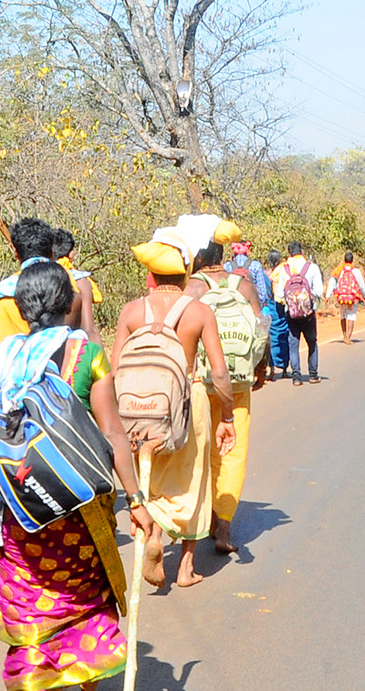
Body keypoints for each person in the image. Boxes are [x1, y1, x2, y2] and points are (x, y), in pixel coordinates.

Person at [0, 261, 154, 691]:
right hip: (77, 512)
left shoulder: (6, 355)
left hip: (19, 508)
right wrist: (135, 500)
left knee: (31, 609)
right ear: (68, 303)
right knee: (91, 599)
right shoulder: (86, 356)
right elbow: (113, 433)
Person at [113, 228, 236, 588]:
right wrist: (227, 415)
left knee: (150, 480)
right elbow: (219, 372)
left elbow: (116, 366)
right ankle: (185, 569)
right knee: (193, 481)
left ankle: (153, 534)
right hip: (188, 398)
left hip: (139, 409)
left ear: (150, 275)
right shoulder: (198, 312)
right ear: (185, 273)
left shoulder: (132, 311)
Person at [184, 231, 262, 555]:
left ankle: (203, 519)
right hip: (238, 381)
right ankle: (225, 526)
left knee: (202, 449)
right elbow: (261, 328)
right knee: (233, 449)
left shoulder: (193, 288)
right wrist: (260, 368)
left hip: (202, 382)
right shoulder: (242, 284)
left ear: (198, 258)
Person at [0, 218, 99, 367]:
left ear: (16, 253)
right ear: (51, 251)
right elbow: (88, 332)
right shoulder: (71, 285)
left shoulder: (1, 297)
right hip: (64, 378)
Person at [274, 240, 324, 385]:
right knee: (312, 343)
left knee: (293, 344)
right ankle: (313, 375)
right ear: (301, 251)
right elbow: (319, 291)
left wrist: (291, 302)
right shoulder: (312, 267)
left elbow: (279, 293)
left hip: (291, 313)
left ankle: (296, 377)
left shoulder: (284, 269)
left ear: (289, 252)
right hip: (308, 313)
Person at [327, 251, 365, 343]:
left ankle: (344, 336)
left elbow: (332, 283)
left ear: (344, 260)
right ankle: (349, 337)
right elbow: (361, 285)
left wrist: (328, 295)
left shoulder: (339, 270)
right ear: (352, 260)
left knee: (343, 316)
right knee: (351, 316)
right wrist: (364, 296)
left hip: (341, 297)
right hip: (352, 298)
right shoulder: (356, 271)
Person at [265, 249, 290, 380]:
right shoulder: (284, 271)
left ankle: (272, 369)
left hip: (270, 308)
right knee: (283, 336)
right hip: (282, 307)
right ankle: (285, 369)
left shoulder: (266, 274)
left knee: (271, 338)